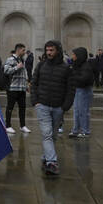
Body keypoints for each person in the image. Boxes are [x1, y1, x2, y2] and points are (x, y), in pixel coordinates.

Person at [30, 40, 74, 176]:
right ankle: (52, 162)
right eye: (47, 50)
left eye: (51, 50)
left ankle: (45, 157)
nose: (48, 53)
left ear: (57, 51)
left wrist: (65, 106)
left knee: (53, 135)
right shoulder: (41, 65)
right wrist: (35, 101)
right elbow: (34, 83)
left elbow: (70, 89)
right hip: (42, 105)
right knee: (47, 134)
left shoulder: (66, 68)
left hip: (58, 107)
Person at [67, 46, 95, 138]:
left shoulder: (85, 66)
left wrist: (73, 76)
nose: (72, 56)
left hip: (84, 90)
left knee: (83, 111)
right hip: (78, 89)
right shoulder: (78, 65)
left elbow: (84, 79)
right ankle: (76, 130)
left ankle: (85, 131)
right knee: (77, 111)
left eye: (74, 54)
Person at [1, 44, 30, 135]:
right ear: (18, 50)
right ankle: (8, 126)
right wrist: (17, 67)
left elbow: (24, 73)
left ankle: (23, 126)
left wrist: (27, 84)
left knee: (22, 107)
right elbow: (6, 70)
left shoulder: (22, 59)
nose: (24, 52)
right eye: (23, 50)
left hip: (21, 88)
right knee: (10, 107)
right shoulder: (10, 59)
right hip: (13, 88)